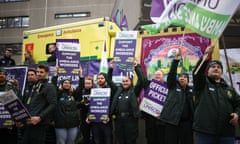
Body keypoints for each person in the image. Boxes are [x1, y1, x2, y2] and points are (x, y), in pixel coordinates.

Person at [192, 45, 240, 144]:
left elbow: (238, 104)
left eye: (218, 67)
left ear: (221, 72)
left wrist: (237, 114)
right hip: (205, 133)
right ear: (208, 71)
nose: (216, 68)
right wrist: (205, 57)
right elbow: (197, 73)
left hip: (227, 133)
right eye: (213, 67)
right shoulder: (202, 84)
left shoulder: (229, 89)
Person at [160, 48, 194, 144]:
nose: (182, 78)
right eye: (180, 77)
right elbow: (171, 74)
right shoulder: (173, 86)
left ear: (188, 80)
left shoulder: (191, 91)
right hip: (172, 122)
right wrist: (176, 61)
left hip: (187, 124)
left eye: (184, 77)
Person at [110, 59, 144, 144]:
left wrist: (137, 67)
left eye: (127, 81)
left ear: (131, 82)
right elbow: (109, 81)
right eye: (123, 81)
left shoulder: (134, 91)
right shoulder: (117, 90)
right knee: (120, 140)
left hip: (130, 121)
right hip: (118, 121)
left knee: (130, 141)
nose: (125, 83)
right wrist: (111, 69)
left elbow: (141, 80)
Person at [22, 64, 57, 144]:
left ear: (47, 73)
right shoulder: (36, 85)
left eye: (41, 72)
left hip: (40, 123)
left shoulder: (49, 87)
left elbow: (53, 104)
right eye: (37, 72)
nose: (38, 74)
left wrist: (40, 117)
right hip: (30, 121)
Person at [86, 69, 117, 144]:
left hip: (106, 121)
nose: (100, 80)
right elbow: (92, 105)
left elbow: (112, 106)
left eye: (102, 78)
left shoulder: (110, 90)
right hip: (95, 122)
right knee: (97, 141)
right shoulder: (94, 90)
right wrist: (88, 116)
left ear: (106, 79)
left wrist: (109, 116)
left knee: (108, 141)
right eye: (98, 78)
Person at [52, 66, 81, 144]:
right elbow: (53, 85)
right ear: (61, 84)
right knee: (61, 142)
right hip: (60, 124)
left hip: (73, 124)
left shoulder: (74, 94)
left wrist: (81, 75)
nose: (67, 84)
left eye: (69, 83)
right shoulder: (57, 94)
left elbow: (80, 88)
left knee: (71, 142)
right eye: (65, 82)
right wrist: (56, 74)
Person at [142, 70, 166, 144]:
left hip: (162, 121)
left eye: (159, 74)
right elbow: (142, 78)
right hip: (150, 121)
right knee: (150, 140)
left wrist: (163, 114)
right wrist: (137, 67)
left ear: (163, 77)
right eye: (156, 75)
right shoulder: (149, 85)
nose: (157, 76)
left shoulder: (168, 88)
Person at [0, 67, 18, 144]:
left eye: (3, 74)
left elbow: (16, 102)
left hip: (8, 120)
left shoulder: (11, 86)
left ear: (6, 76)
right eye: (0, 74)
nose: (1, 75)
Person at [76, 74, 94, 144]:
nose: (87, 85)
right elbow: (76, 105)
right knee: (85, 137)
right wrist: (81, 103)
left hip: (94, 116)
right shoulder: (81, 92)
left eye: (89, 83)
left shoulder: (96, 91)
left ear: (92, 84)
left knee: (95, 137)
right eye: (86, 83)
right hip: (83, 117)